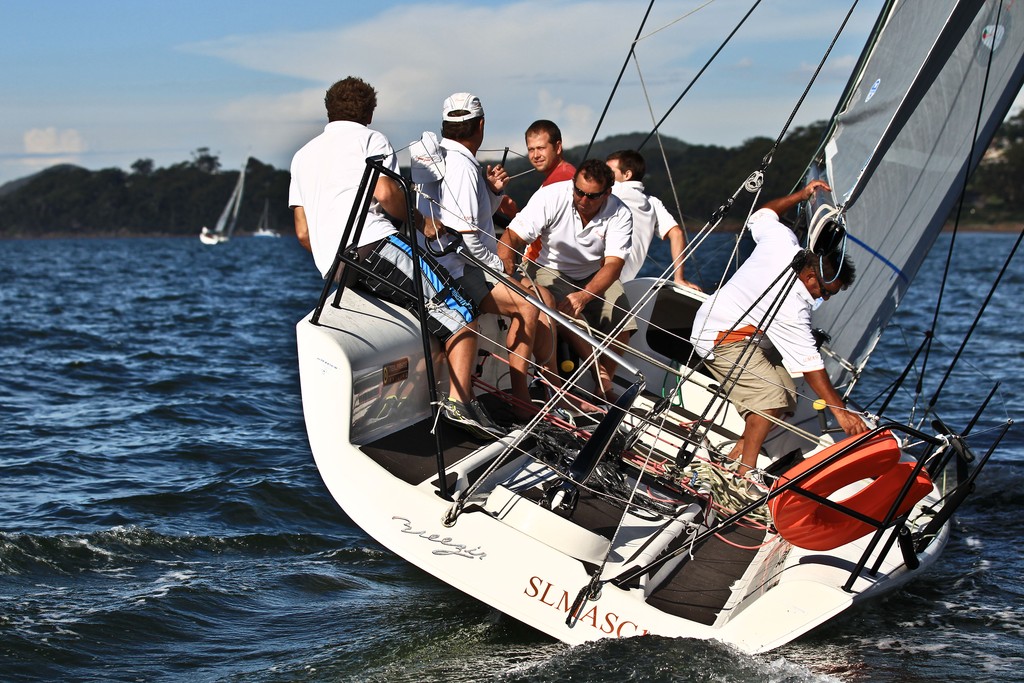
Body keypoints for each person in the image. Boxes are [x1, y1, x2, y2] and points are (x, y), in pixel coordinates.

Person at [289, 76, 499, 439]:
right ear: (369, 113)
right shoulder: (370, 139)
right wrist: (420, 221)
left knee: (427, 311)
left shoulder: (302, 156)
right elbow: (386, 192)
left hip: (334, 267)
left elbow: (304, 233)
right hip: (374, 246)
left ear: (329, 110)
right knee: (462, 311)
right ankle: (461, 407)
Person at [689, 179, 869, 488]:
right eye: (824, 292)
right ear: (811, 275)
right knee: (770, 396)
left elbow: (764, 212)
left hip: (740, 336)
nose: (823, 299)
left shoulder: (784, 242)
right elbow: (811, 366)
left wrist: (800, 195)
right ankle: (743, 475)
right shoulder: (794, 306)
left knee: (786, 395)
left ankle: (733, 458)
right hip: (718, 335)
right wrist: (841, 414)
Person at [413, 92, 539, 420]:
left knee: (528, 298)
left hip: (434, 263)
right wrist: (502, 270)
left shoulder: (441, 156)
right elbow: (470, 240)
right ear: (481, 125)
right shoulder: (465, 168)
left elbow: (467, 219)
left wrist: (492, 193)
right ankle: (522, 400)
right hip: (456, 269)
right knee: (529, 306)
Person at [497, 159, 634, 404]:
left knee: (623, 317)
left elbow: (613, 265)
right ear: (573, 184)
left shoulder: (620, 212)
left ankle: (601, 390)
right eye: (579, 191)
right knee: (565, 310)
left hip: (593, 272)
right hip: (547, 266)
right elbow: (513, 237)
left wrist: (585, 295)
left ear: (607, 193)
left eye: (592, 196)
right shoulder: (551, 197)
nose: (583, 199)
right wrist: (504, 266)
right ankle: (599, 378)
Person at [605, 150, 700, 290]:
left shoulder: (614, 189)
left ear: (627, 175)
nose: (603, 174)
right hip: (623, 282)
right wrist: (679, 278)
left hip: (600, 274)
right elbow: (677, 233)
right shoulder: (653, 203)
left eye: (608, 171)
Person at [521, 120, 576, 261]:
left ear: (558, 147)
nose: (535, 155)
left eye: (541, 148)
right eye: (531, 149)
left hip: (544, 264)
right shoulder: (558, 178)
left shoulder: (562, 181)